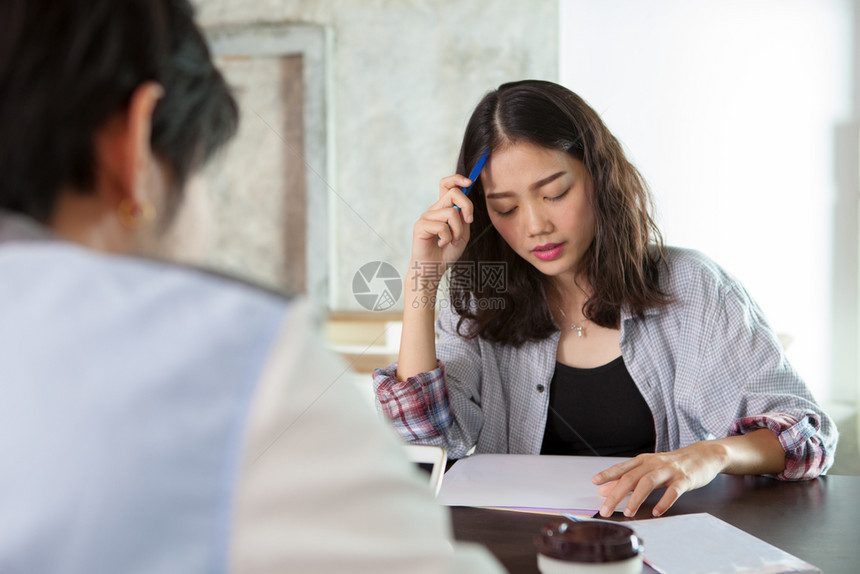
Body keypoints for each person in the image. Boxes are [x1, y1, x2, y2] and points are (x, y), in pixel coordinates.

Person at [0, 1, 503, 573]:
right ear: (132, 147)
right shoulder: (231, 355)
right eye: (201, 171)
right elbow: (425, 449)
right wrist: (423, 278)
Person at [375, 79, 838, 519]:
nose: (535, 225)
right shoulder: (481, 299)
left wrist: (709, 454)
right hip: (516, 545)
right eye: (506, 208)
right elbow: (424, 439)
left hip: (659, 539)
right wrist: (425, 275)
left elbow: (807, 437)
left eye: (554, 193)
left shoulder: (692, 287)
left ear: (599, 175)